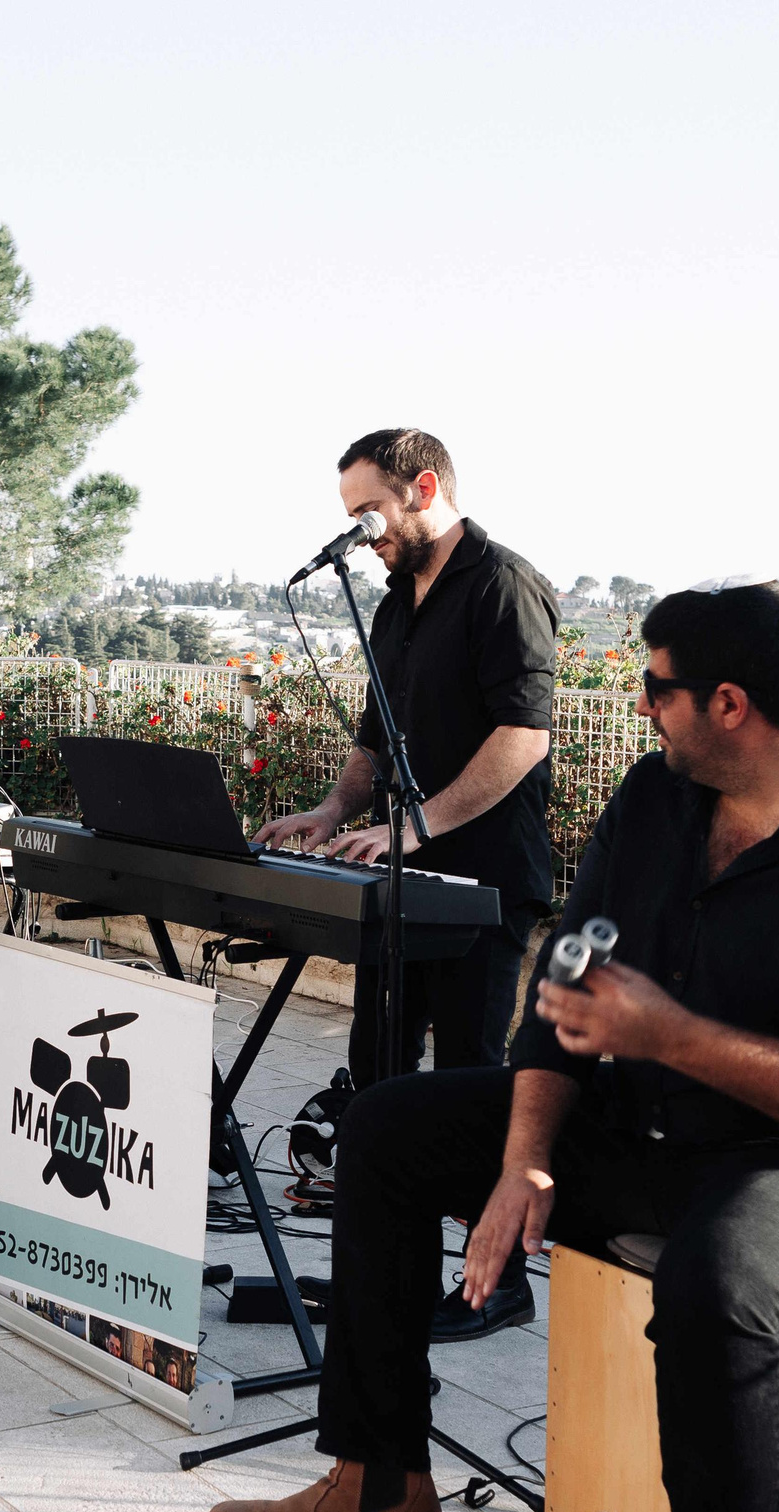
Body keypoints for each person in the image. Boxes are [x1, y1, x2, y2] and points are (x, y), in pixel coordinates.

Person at [202, 581, 779, 1512]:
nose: (639, 708)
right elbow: (565, 983)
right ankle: (377, 1488)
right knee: (387, 1130)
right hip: (665, 1123)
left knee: (721, 1276)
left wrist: (670, 1034)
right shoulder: (660, 797)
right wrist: (525, 1156)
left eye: (653, 687)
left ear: (726, 703)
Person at [256, 427, 561, 1339]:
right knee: (382, 1075)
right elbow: (373, 742)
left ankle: (496, 1281)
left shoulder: (503, 586)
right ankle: (387, 1273)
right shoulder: (394, 603)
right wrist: (329, 812)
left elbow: (523, 736)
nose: (362, 535)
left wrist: (418, 824)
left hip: (485, 883)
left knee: (469, 1082)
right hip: (406, 887)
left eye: (369, 514)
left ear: (424, 487)